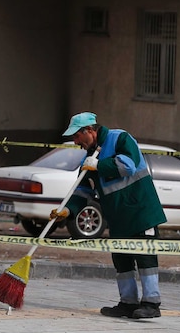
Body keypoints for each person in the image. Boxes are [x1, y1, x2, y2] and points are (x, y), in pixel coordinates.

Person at [50, 111, 166, 319]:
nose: (76, 142)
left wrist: (99, 165)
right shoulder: (89, 158)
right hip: (118, 218)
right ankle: (128, 302)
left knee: (145, 258)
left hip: (141, 212)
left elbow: (127, 166)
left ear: (89, 131)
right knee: (121, 259)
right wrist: (67, 210)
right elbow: (81, 191)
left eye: (77, 136)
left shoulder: (120, 138)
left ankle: (151, 303)